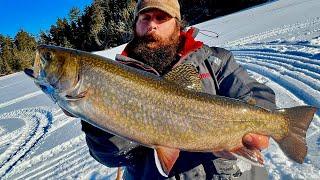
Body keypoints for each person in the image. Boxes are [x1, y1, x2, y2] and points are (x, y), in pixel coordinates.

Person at [63, 0, 276, 179]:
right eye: (145, 18)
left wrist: (261, 121)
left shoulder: (214, 60)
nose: (152, 25)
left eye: (161, 18)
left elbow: (256, 93)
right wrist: (95, 117)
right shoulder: (115, 76)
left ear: (178, 24)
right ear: (135, 25)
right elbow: (113, 157)